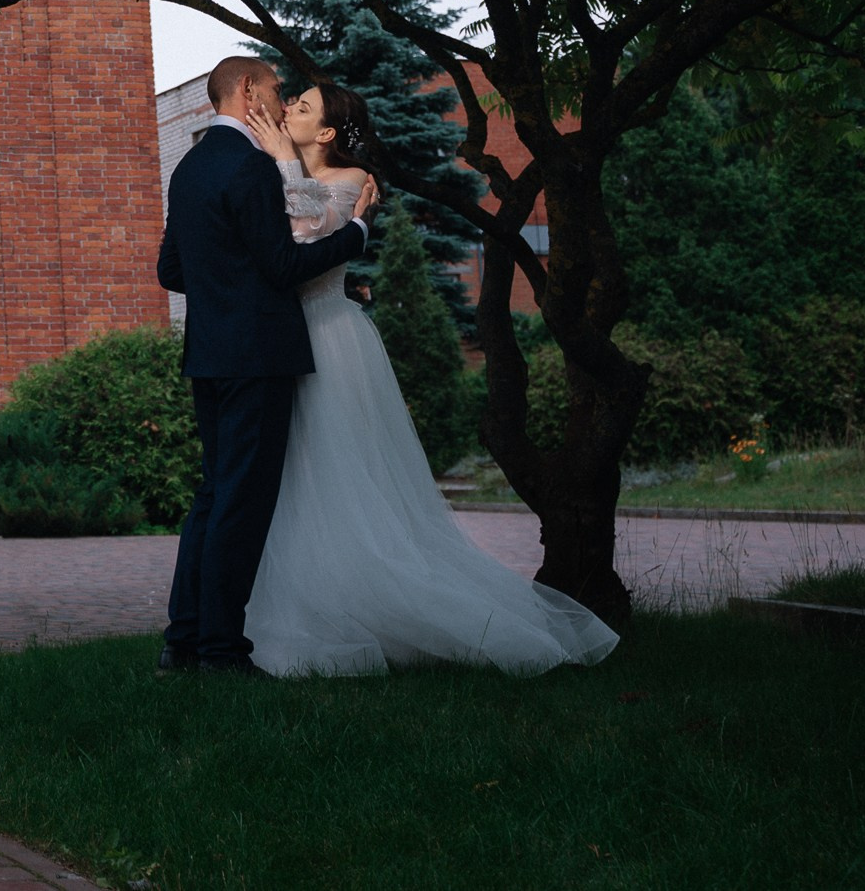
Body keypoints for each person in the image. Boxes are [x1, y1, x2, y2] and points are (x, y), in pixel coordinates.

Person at [241, 81, 618, 676]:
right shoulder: (277, 170)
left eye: (303, 107)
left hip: (330, 338)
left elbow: (310, 238)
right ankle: (313, 603)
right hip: (286, 333)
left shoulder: (350, 182)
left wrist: (282, 161)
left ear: (329, 133)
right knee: (296, 475)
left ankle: (393, 609)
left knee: (338, 472)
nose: (288, 108)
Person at [156, 56, 377, 673]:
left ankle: (184, 640)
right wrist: (356, 232)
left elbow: (171, 270)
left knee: (212, 497)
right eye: (278, 89)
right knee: (242, 505)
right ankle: (224, 652)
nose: (283, 101)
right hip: (257, 356)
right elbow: (284, 265)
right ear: (247, 89)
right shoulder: (253, 166)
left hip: (208, 354)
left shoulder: (191, 166)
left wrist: (226, 286)